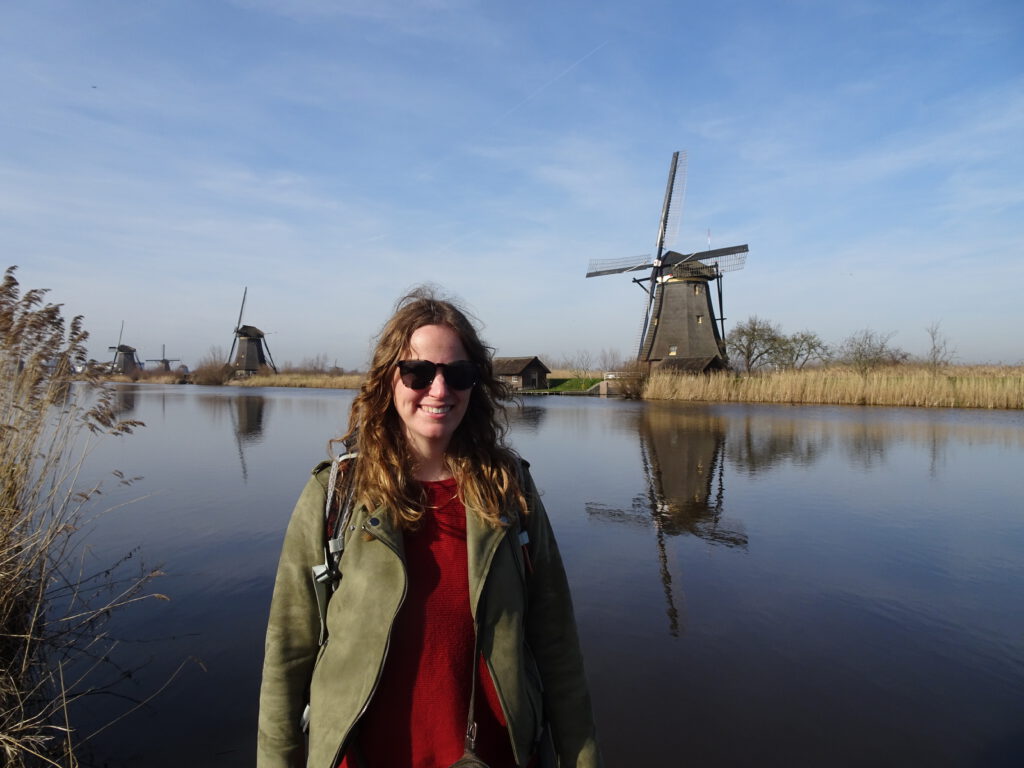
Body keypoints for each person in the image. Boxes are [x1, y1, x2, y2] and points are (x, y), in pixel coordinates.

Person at [257, 288, 602, 768]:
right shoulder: (336, 494)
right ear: (388, 381)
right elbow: (288, 656)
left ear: (474, 384)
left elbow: (557, 644)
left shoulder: (510, 491)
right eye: (418, 372)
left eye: (457, 374)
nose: (439, 390)